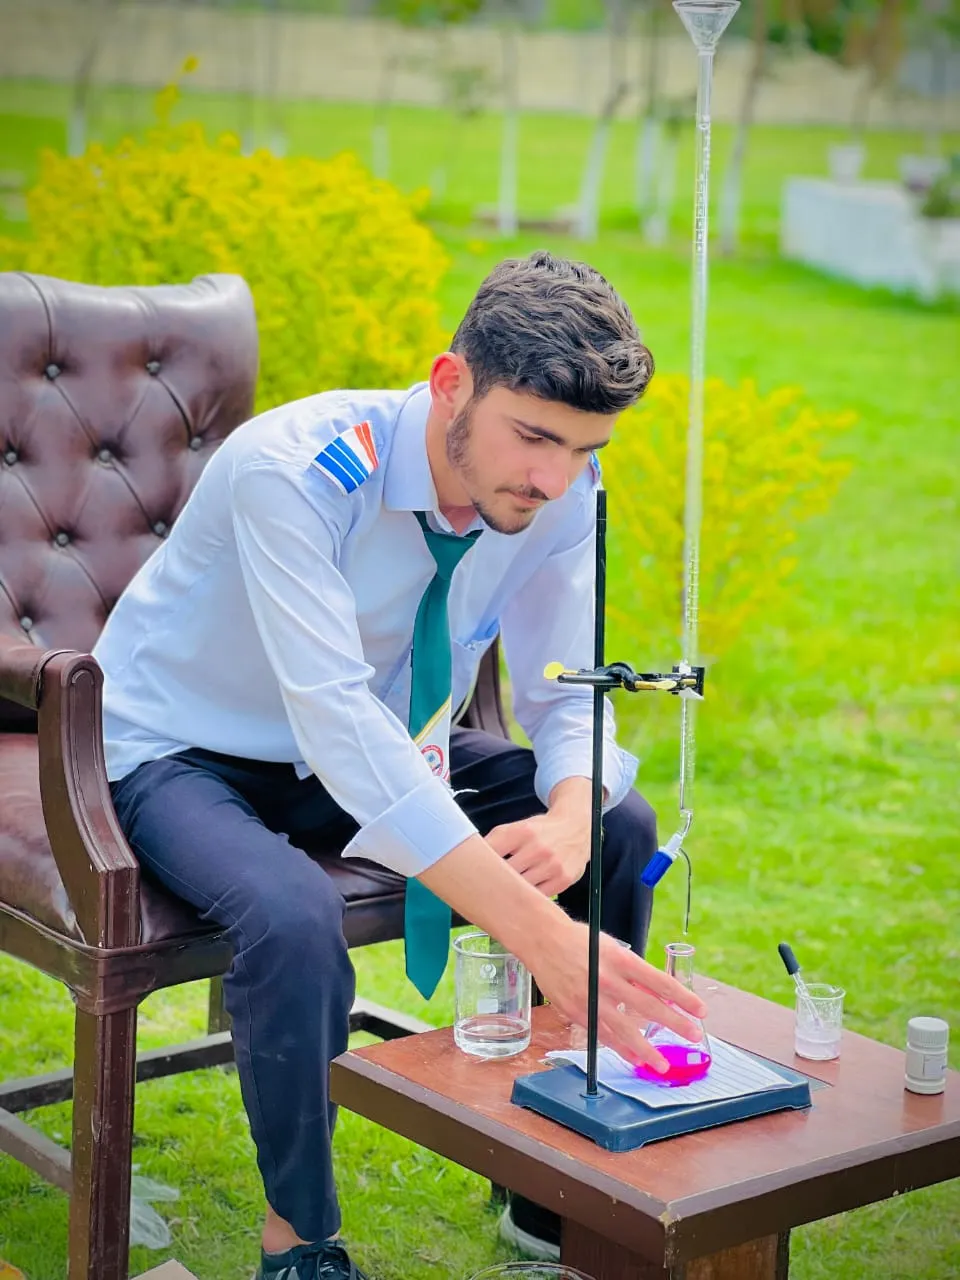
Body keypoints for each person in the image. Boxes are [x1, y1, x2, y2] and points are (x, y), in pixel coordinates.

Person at [96, 250, 707, 1280]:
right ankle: (300, 1238)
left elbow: (569, 693)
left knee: (619, 825)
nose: (553, 476)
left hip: (376, 740)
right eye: (534, 436)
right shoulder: (295, 469)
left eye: (584, 446)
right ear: (449, 382)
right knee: (291, 918)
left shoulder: (563, 492)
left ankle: (551, 1192)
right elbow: (335, 721)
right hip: (183, 747)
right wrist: (545, 938)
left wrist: (568, 813)